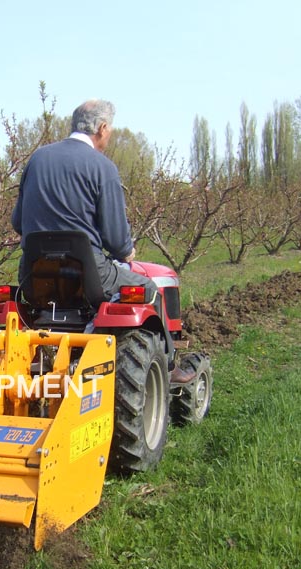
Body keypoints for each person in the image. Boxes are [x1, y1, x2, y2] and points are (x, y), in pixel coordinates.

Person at [11, 99, 193, 383]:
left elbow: (17, 223)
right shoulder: (102, 167)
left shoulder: (37, 159)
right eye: (110, 129)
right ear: (102, 128)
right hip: (88, 278)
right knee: (147, 288)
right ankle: (164, 370)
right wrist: (127, 250)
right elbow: (116, 240)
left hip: (35, 278)